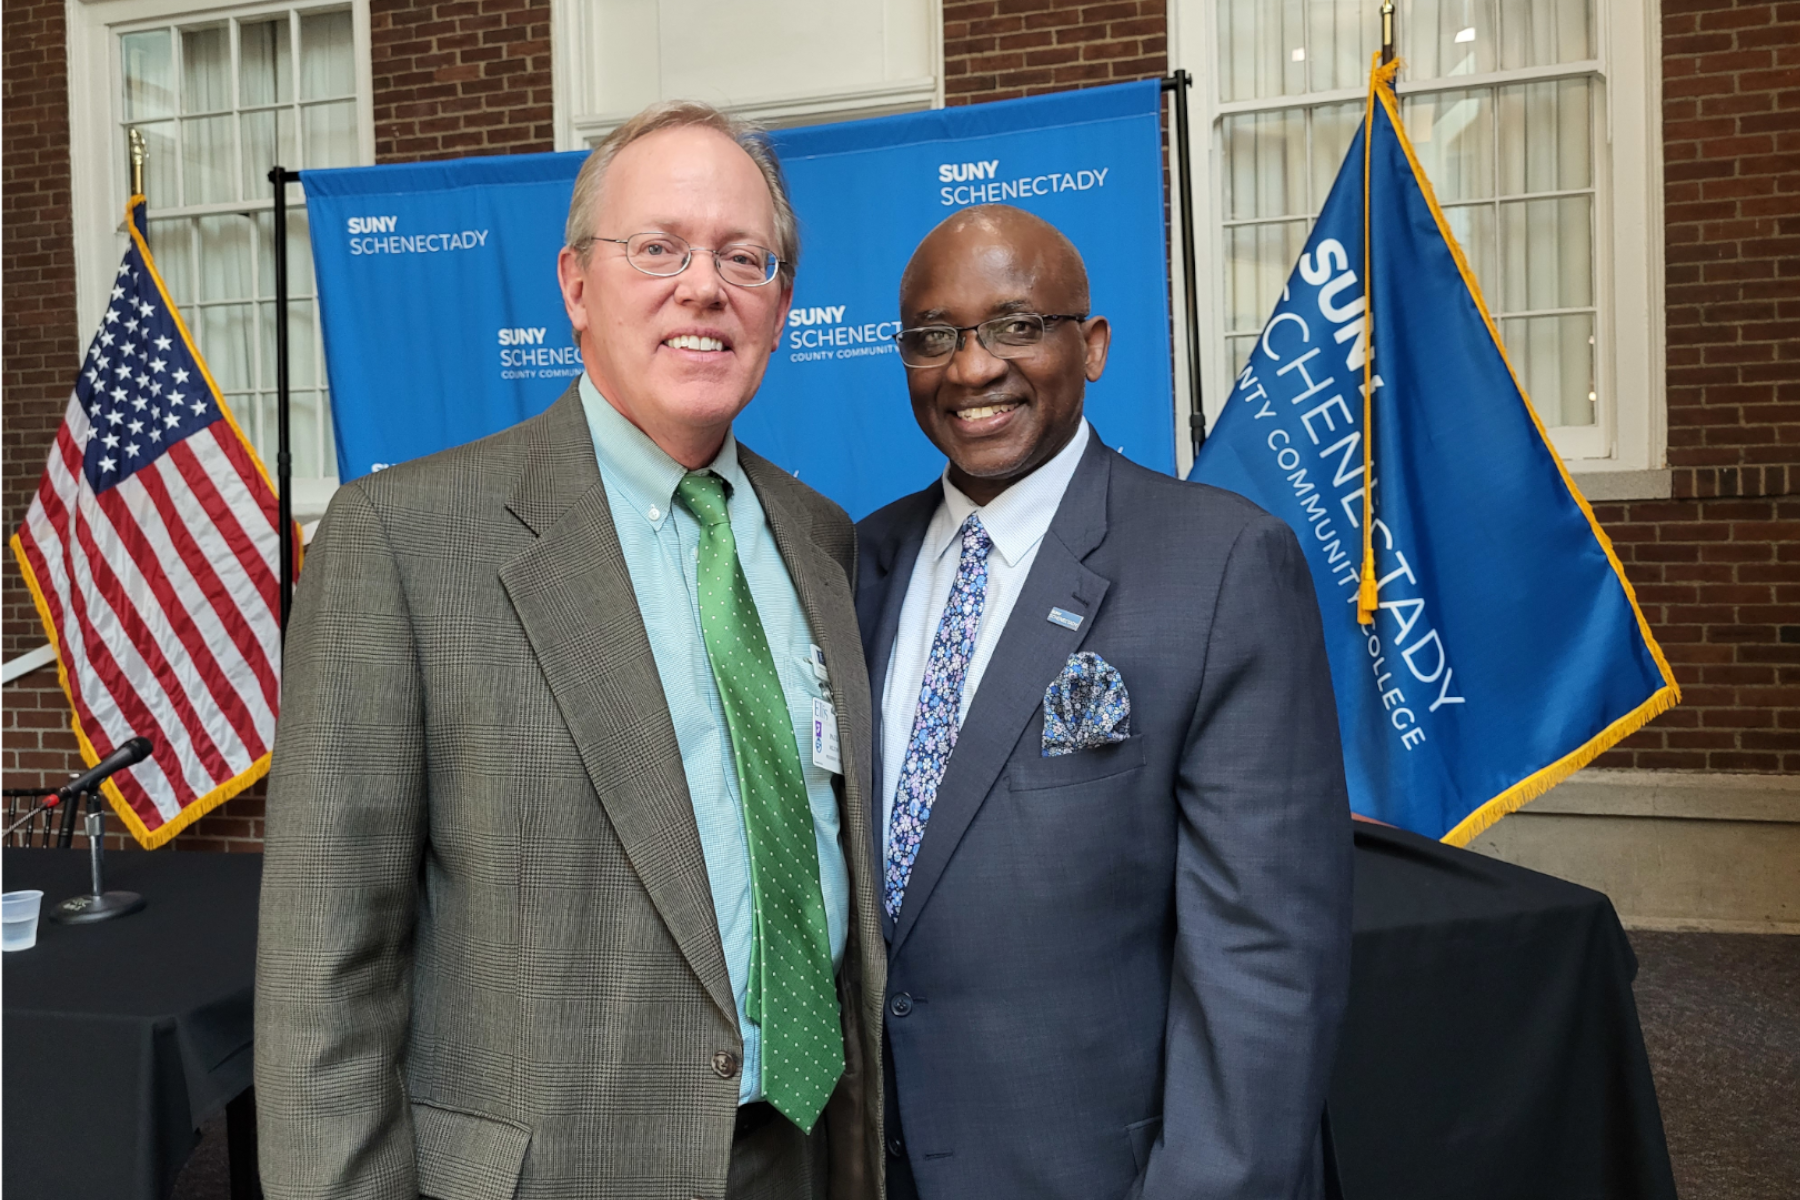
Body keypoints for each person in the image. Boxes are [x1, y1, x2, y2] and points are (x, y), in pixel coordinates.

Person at [256, 102, 884, 1200]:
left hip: (803, 1151)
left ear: (780, 308)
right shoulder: (403, 540)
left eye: (746, 256)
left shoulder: (821, 540)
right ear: (577, 287)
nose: (705, 286)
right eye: (659, 248)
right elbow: (325, 972)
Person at [856, 204, 1353, 1200]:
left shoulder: (1218, 566)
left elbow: (1265, 962)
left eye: (1014, 324)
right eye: (933, 337)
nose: (970, 367)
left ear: (1091, 347)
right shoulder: (860, 561)